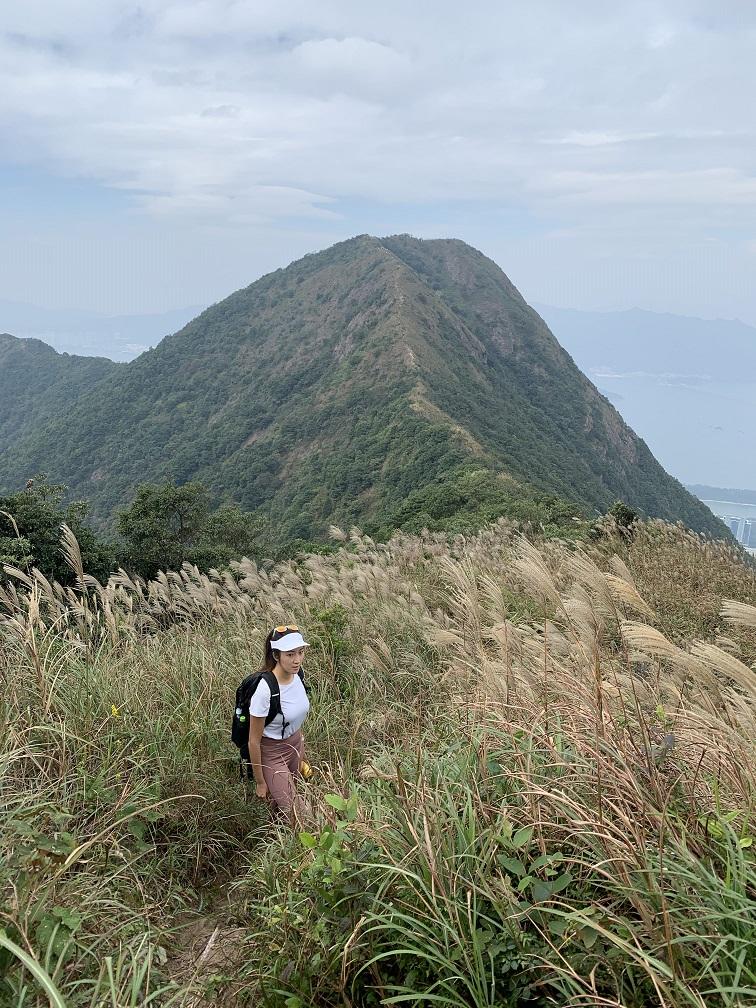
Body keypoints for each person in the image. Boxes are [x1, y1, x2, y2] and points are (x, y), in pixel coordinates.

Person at [247, 624, 311, 825]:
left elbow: (295, 718)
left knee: (282, 803)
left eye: (300, 652)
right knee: (299, 812)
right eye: (290, 654)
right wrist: (260, 781)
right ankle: (306, 851)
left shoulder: (297, 676)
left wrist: (301, 751)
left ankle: (276, 839)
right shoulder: (265, 690)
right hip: (272, 753)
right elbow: (253, 741)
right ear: (276, 656)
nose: (297, 660)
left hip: (295, 745)